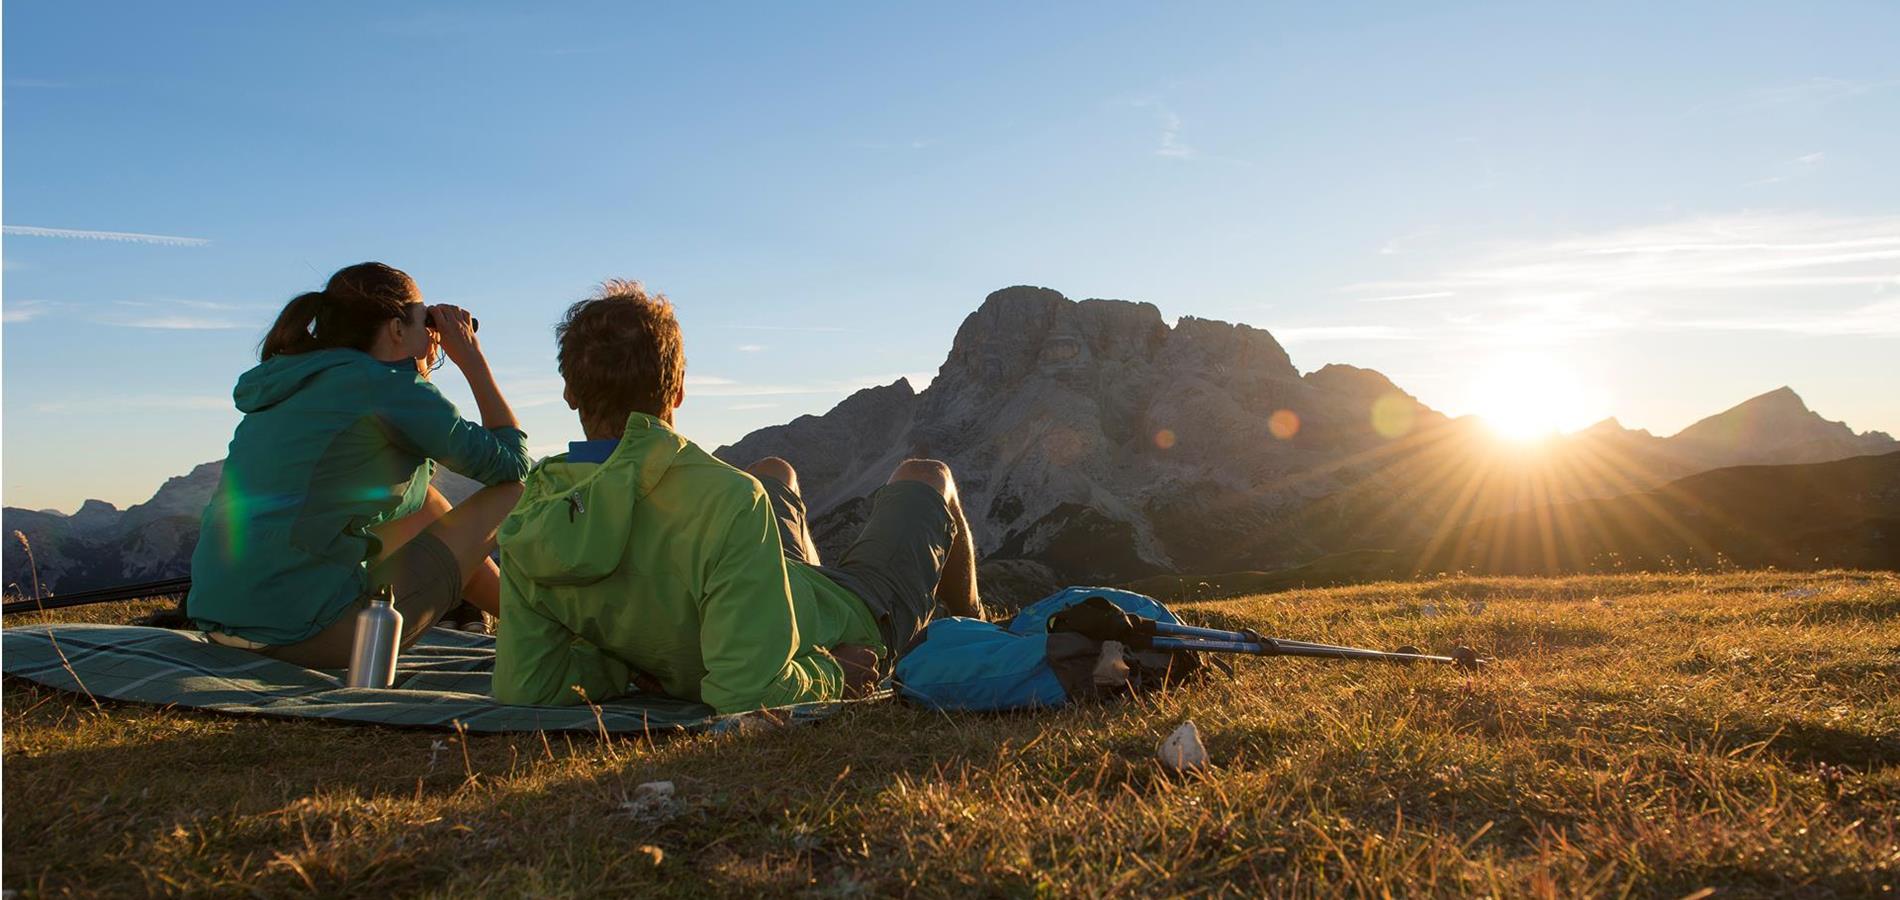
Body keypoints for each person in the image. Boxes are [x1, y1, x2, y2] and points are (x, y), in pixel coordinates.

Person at [492, 280, 982, 713]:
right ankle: (974, 625)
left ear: (569, 394)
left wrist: (632, 671)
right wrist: (835, 675)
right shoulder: (728, 498)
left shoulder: (534, 514)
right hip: (854, 618)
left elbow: (529, 685)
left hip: (761, 595)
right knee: (927, 473)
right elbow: (748, 694)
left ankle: (805, 588)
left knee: (775, 471)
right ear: (678, 390)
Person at [187, 262, 532, 667]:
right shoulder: (386, 386)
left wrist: (414, 368)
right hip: (310, 636)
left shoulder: (298, 377)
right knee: (511, 493)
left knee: (425, 503)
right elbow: (512, 465)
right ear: (397, 329)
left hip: (226, 626)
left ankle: (527, 619)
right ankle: (541, 621)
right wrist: (472, 359)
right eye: (425, 318)